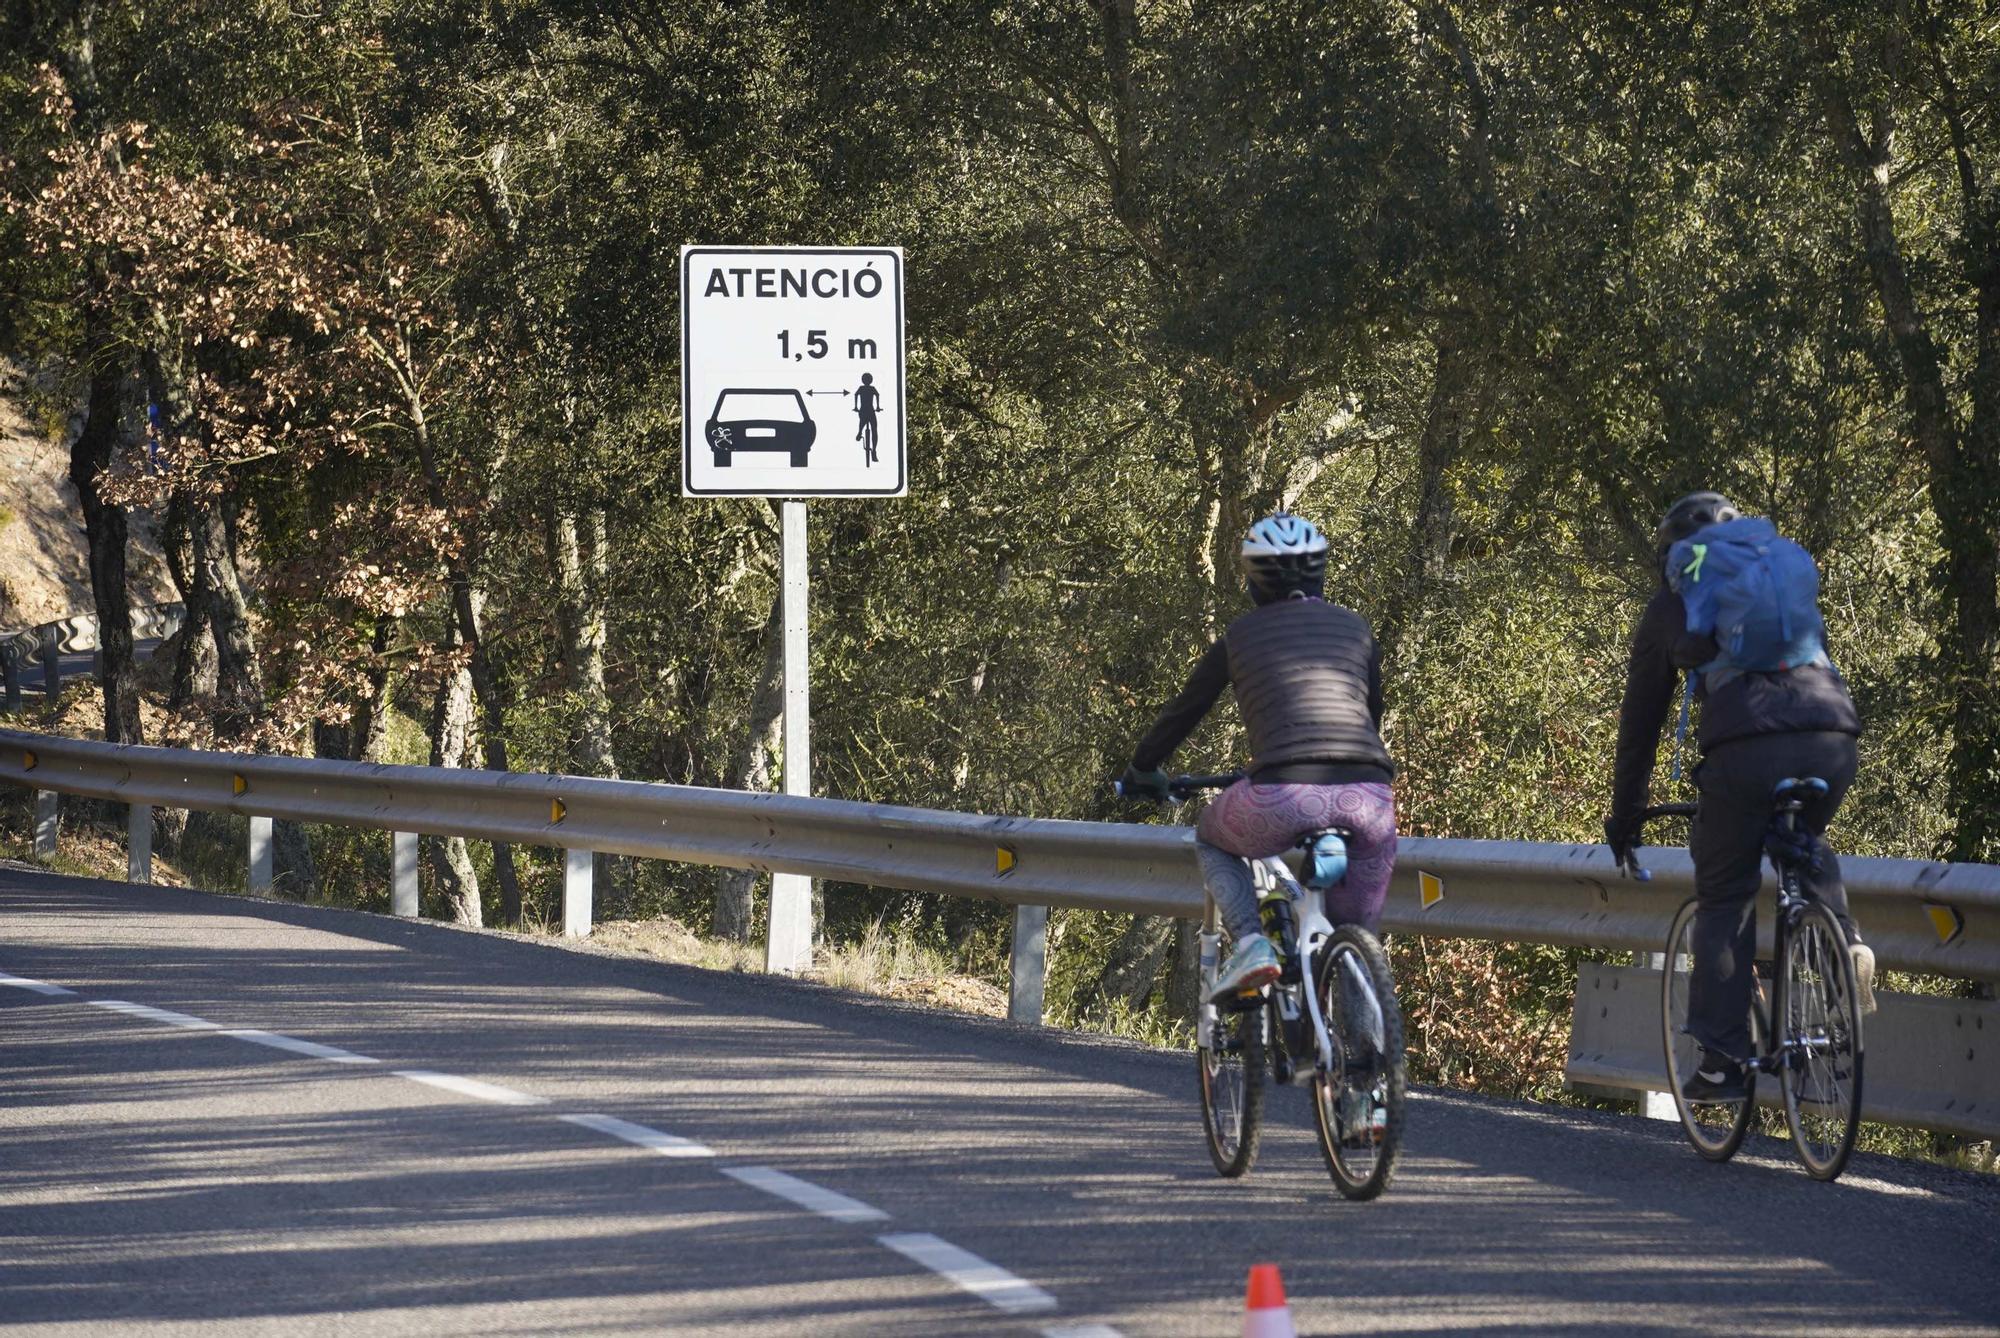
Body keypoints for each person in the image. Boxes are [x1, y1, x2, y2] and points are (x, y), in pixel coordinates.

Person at [1606, 490, 1876, 1103]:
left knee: (1724, 892)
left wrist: (1625, 816)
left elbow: (1642, 723)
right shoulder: (1774, 578)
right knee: (1801, 840)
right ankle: (1844, 943)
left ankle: (1724, 1061)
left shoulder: (1674, 600)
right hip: (1833, 732)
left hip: (1745, 747)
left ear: (1673, 553)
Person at [1120, 513, 1397, 1001]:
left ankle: (1250, 943)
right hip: (1369, 800)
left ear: (1253, 581)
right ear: (1320, 572)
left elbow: (1185, 711)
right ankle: (1369, 1059)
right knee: (1354, 945)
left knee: (1212, 836)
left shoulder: (1240, 637)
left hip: (1280, 793)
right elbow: (1371, 709)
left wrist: (1143, 769)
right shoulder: (1356, 628)